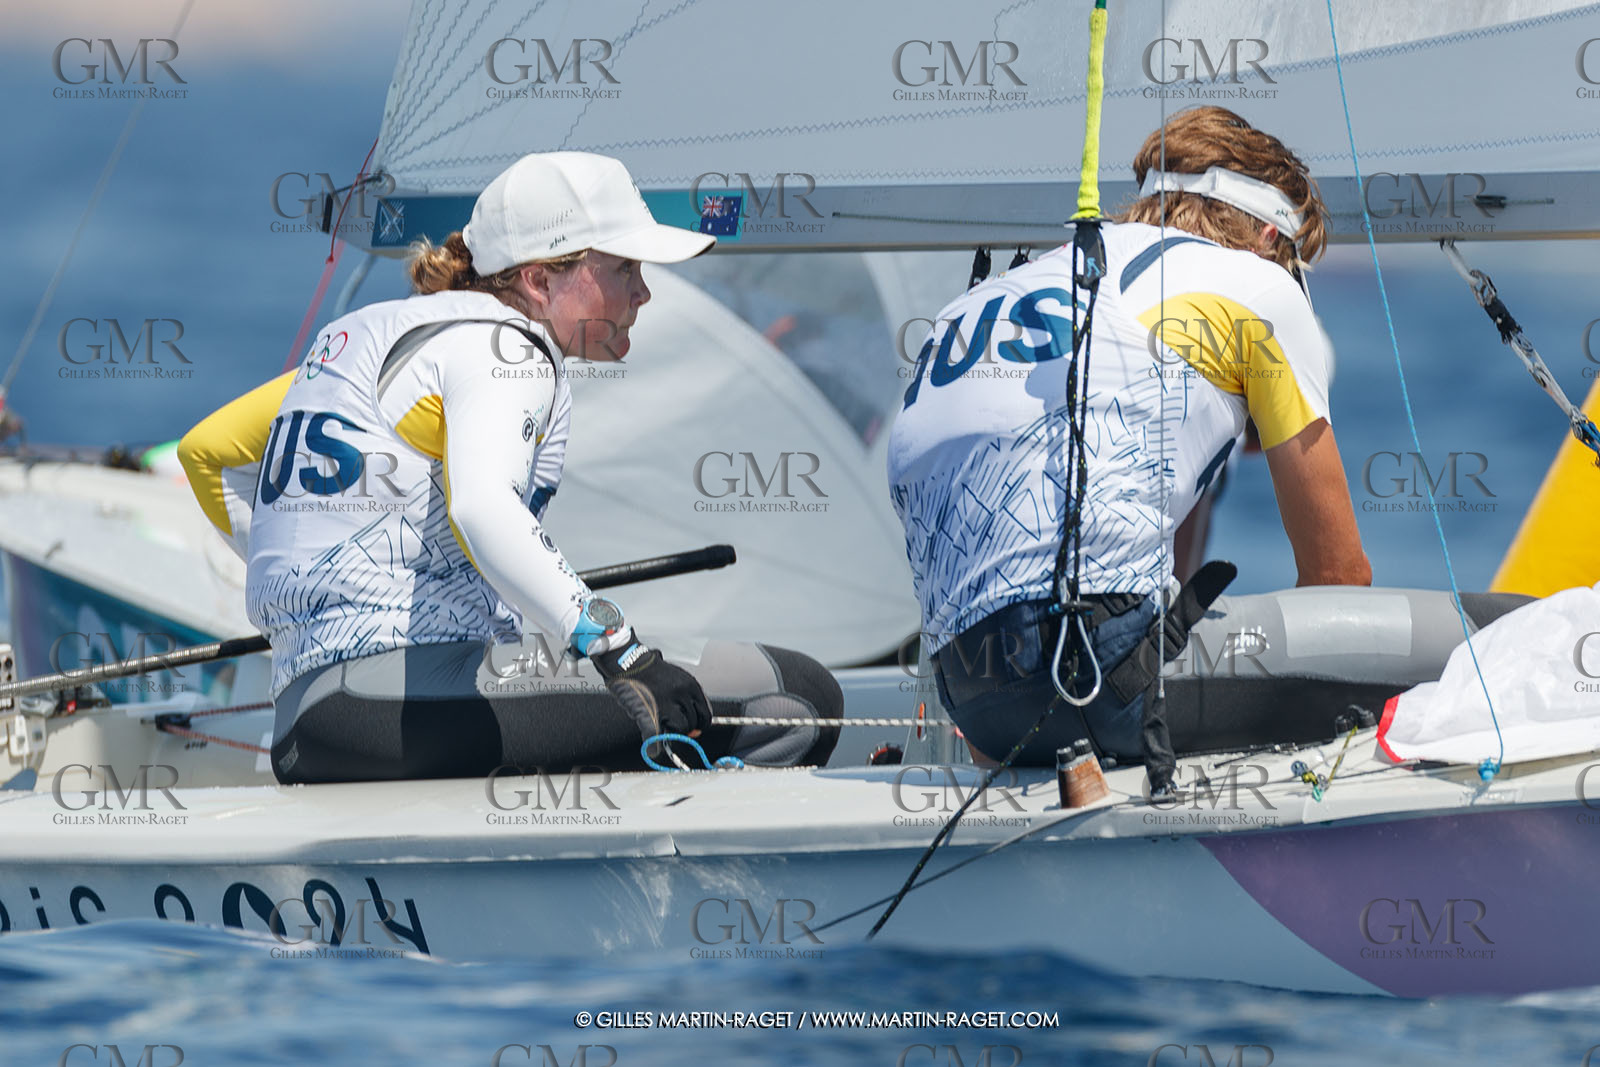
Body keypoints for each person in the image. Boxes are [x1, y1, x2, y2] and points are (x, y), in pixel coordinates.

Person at [178, 151, 840, 784]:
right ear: (539, 278)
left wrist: (335, 585)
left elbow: (206, 453)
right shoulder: (511, 350)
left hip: (312, 714)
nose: (643, 292)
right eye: (622, 268)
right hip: (391, 710)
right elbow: (482, 507)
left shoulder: (366, 337)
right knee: (794, 696)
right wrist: (621, 653)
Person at [886, 106, 1371, 768]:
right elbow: (1339, 579)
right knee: (1400, 641)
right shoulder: (1259, 289)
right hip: (1104, 687)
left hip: (972, 704)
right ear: (1266, 237)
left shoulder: (997, 294)